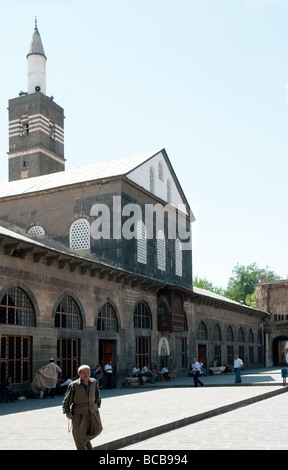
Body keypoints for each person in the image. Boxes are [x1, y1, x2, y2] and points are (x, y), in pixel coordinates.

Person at [62, 364, 102, 450]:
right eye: (84, 373)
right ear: (79, 373)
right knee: (79, 433)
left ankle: (85, 440)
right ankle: (82, 445)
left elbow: (97, 394)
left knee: (98, 429)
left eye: (88, 372)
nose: (86, 374)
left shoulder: (94, 382)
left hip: (93, 410)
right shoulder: (74, 385)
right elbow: (67, 400)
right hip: (79, 412)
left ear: (90, 373)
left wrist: (97, 405)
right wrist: (67, 412)